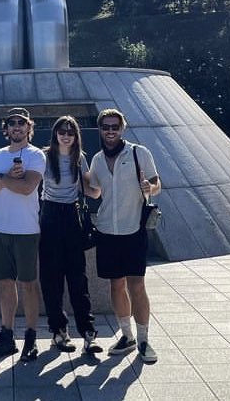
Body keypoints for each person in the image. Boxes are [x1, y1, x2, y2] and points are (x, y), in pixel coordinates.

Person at [87, 108, 161, 363]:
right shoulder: (96, 159)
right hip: (107, 229)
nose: (110, 131)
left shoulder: (139, 153)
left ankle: (143, 340)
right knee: (115, 285)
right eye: (106, 127)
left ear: (122, 129)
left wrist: (149, 187)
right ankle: (126, 336)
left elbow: (156, 183)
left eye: (114, 127)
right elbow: (95, 192)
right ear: (100, 129)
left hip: (133, 229)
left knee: (137, 285)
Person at [0, 107, 46, 362]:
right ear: (5, 128)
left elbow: (28, 188)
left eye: (22, 123)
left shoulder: (35, 155)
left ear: (29, 127)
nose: (16, 127)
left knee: (29, 285)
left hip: (26, 230)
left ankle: (31, 337)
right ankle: (6, 335)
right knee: (4, 285)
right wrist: (5, 180)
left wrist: (1, 179)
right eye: (12, 123)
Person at [39, 115, 103, 355]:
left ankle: (88, 332)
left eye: (70, 131)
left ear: (76, 136)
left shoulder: (80, 158)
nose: (66, 135)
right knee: (51, 278)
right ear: (55, 133)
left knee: (78, 278)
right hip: (50, 215)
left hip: (72, 216)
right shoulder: (44, 156)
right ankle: (59, 331)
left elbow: (92, 190)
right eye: (62, 131)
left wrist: (109, 182)